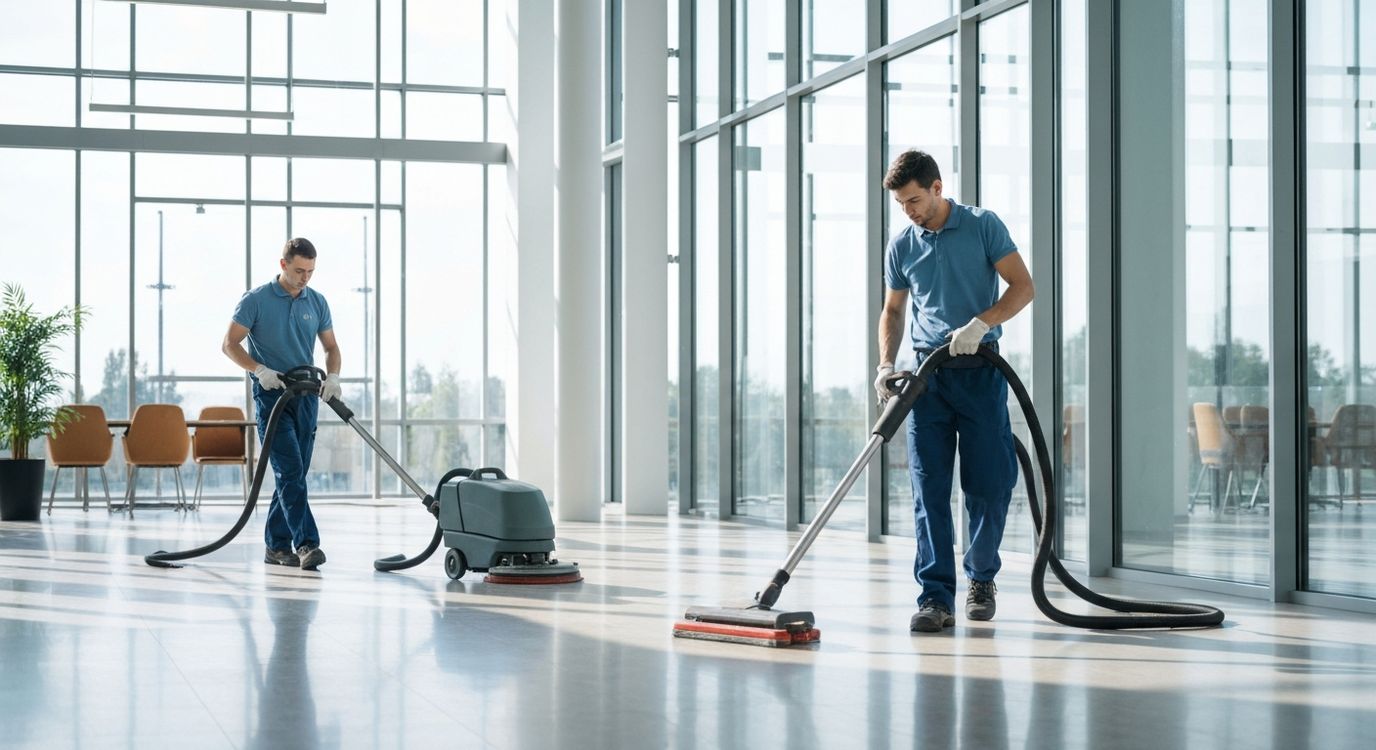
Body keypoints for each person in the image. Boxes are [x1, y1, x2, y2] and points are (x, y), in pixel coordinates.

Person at [875, 150, 1035, 632]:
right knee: (929, 489)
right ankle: (935, 597)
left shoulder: (983, 226)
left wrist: (980, 323)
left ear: (938, 187)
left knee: (990, 483)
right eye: (902, 204)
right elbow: (894, 312)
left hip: (980, 370)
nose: (910, 211)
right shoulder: (902, 245)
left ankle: (981, 578)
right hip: (928, 378)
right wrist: (886, 363)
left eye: (916, 200)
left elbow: (1022, 287)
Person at [222, 238, 342, 570]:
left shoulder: (317, 302)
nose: (305, 278)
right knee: (290, 470)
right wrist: (258, 370)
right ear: (283, 265)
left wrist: (332, 376)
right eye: (300, 270)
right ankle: (306, 544)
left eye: (311, 271)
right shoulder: (256, 300)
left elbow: (331, 347)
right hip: (272, 394)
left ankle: (276, 545)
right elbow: (229, 344)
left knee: (295, 474)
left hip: (306, 395)